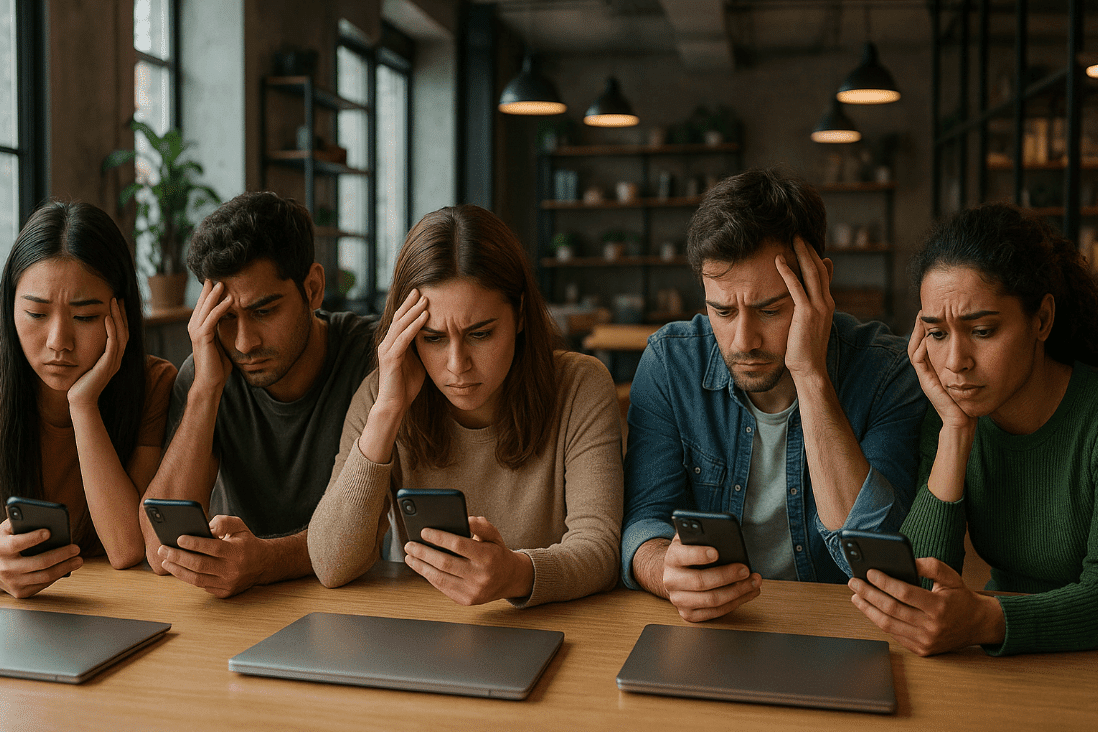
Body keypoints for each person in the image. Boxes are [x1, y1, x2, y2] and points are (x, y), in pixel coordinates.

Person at [622, 168, 927, 621]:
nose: (743, 341)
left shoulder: (887, 372)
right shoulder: (671, 363)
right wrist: (663, 568)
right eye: (722, 311)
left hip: (843, 626)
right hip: (723, 627)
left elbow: (876, 556)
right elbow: (644, 519)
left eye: (770, 310)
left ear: (819, 284)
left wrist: (810, 375)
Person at [308, 204, 623, 608]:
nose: (457, 366)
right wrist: (386, 413)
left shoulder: (580, 386)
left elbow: (601, 551)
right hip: (423, 628)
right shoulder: (382, 395)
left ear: (520, 315)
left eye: (480, 334)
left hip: (549, 627)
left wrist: (515, 574)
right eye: (433, 338)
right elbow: (329, 564)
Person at [849, 203, 1098, 656]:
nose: (955, 363)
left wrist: (986, 619)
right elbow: (919, 592)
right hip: (1003, 661)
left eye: (982, 331)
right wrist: (956, 430)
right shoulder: (951, 415)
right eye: (937, 334)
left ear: (1041, 320)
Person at [143, 191, 376, 598]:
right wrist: (205, 390)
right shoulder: (207, 372)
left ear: (313, 288)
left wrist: (267, 562)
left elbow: (371, 534)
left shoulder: (374, 360)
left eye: (264, 311)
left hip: (356, 600)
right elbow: (159, 548)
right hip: (243, 608)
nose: (244, 343)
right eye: (226, 318)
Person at [0, 201, 176, 598]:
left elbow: (126, 548)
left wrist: (83, 405)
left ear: (121, 314)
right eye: (36, 314)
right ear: (10, 308)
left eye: (84, 317)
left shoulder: (153, 385)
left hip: (115, 607)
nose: (58, 342)